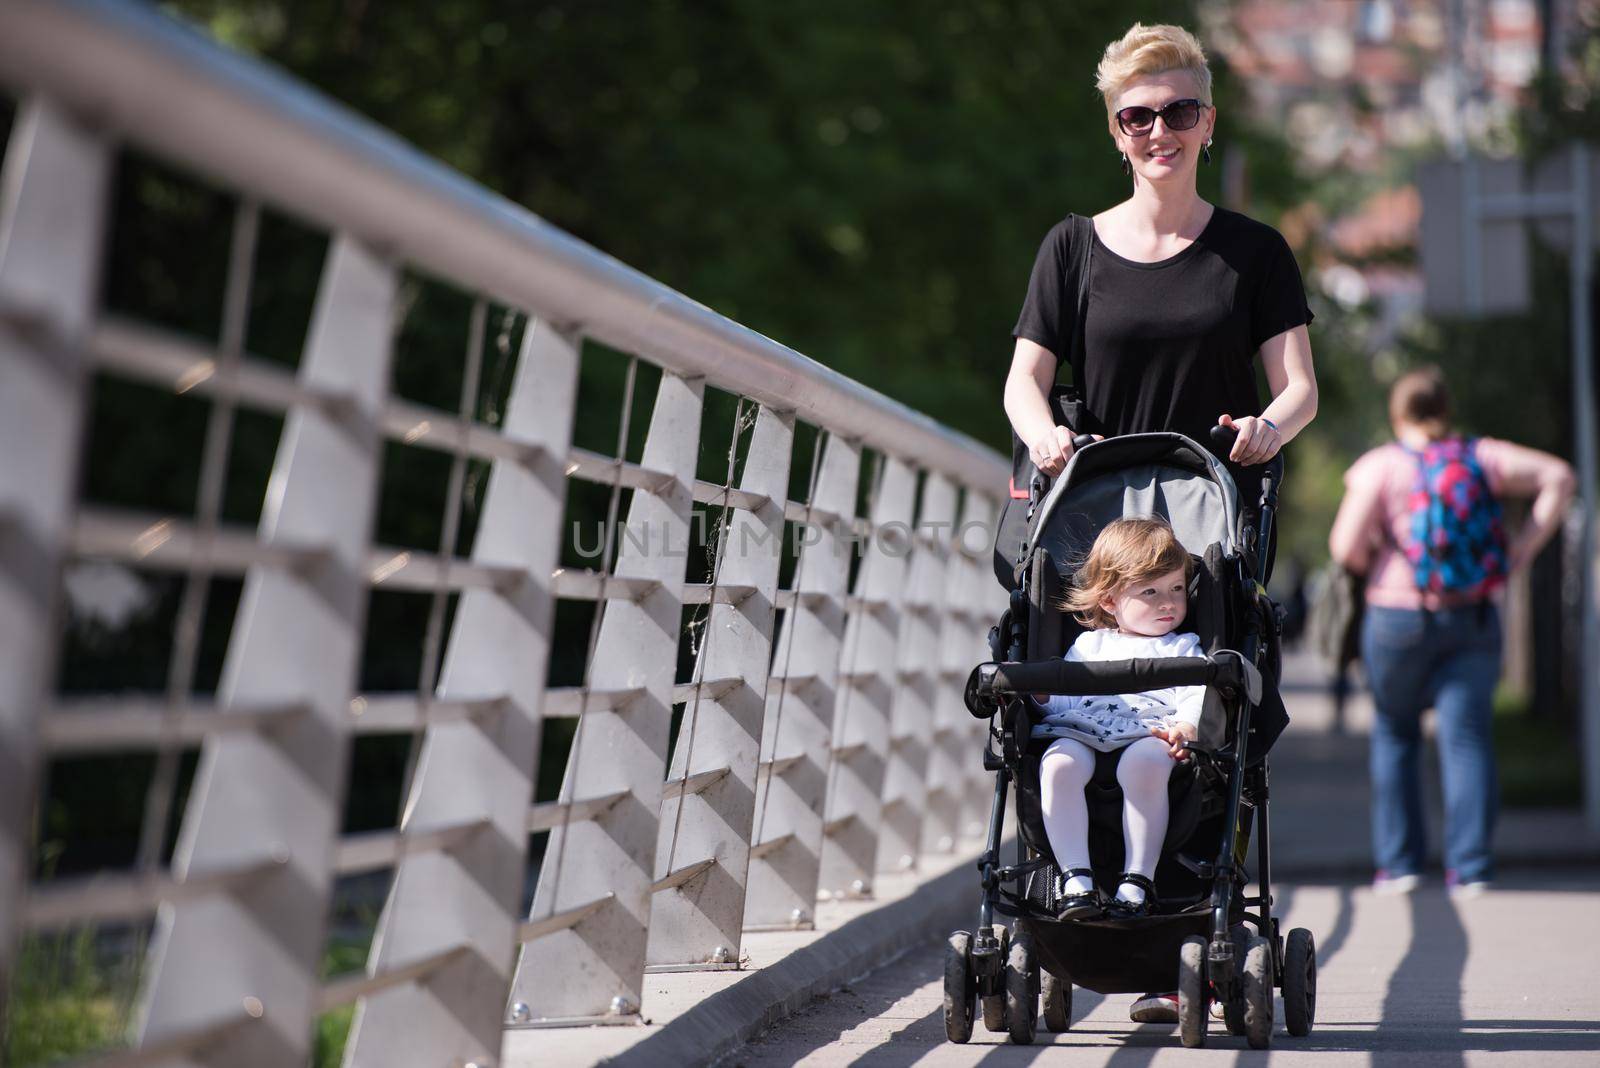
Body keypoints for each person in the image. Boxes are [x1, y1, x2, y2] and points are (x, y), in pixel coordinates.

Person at [1004, 22, 1318, 1025]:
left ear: (1208, 122)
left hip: (1209, 517)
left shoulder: (1251, 253)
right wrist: (1043, 436)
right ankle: (1077, 895)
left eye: (1178, 112)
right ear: (1114, 129)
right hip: (1095, 516)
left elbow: (1299, 386)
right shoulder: (1071, 249)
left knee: (1213, 707)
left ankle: (1187, 914)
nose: (1158, 131)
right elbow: (1023, 380)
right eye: (1137, 117)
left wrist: (1268, 427)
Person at [1328, 366, 1575, 899]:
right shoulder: (1481, 456)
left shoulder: (1381, 465)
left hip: (1396, 616)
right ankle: (1471, 867)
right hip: (1472, 612)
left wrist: (1375, 560)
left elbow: (1344, 544)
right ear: (1446, 409)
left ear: (1398, 414)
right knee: (1466, 739)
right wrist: (1520, 550)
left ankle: (1399, 866)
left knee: (1395, 735)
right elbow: (1559, 477)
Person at [1034, 517, 1206, 932]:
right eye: (1151, 592)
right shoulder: (1090, 645)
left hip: (1151, 732)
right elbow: (1064, 701)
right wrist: (1038, 695)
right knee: (1057, 764)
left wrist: (1186, 728)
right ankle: (1075, 877)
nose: (1168, 603)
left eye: (1177, 589)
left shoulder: (1183, 647)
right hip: (1083, 731)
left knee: (1145, 763)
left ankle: (1137, 880)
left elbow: (1196, 694)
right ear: (1110, 602)